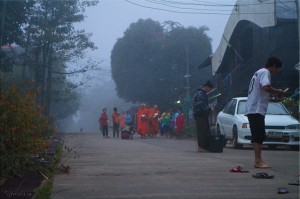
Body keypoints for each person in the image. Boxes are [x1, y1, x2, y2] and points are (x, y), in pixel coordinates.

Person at [245, 57, 285, 169]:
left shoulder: (258, 72)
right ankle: (258, 161)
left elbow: (261, 91)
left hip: (253, 108)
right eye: (276, 69)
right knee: (258, 135)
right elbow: (266, 87)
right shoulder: (265, 72)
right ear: (272, 66)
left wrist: (272, 97)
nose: (275, 72)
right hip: (256, 109)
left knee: (258, 135)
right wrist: (278, 91)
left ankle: (258, 160)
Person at [193, 80, 214, 152]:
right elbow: (201, 105)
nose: (209, 91)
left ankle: (202, 147)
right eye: (210, 89)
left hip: (201, 115)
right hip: (201, 115)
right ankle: (201, 147)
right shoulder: (200, 94)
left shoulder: (201, 93)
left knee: (204, 131)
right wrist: (209, 109)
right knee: (202, 131)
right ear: (207, 87)